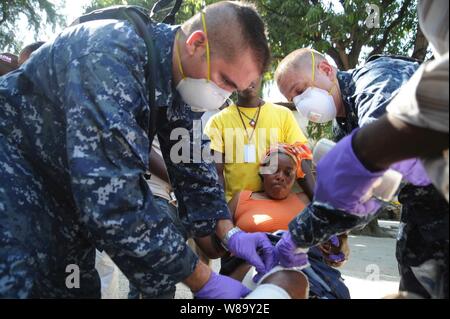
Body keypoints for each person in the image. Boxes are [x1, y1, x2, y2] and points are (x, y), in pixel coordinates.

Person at [0, 2, 276, 299]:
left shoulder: (178, 80)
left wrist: (230, 233)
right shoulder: (108, 55)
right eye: (225, 80)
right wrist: (203, 280)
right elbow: (114, 198)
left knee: (76, 288)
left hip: (67, 208)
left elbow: (193, 163)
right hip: (16, 191)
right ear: (197, 44)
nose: (224, 96)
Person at [274, 0, 448, 299]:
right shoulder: (342, 127)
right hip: (423, 211)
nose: (301, 103)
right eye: (294, 99)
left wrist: (300, 235)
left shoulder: (376, 77)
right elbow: (368, 198)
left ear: (327, 70)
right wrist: (337, 232)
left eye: (301, 90)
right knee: (417, 286)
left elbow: (379, 158)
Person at [195, 143, 350, 299]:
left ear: (296, 176)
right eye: (273, 170)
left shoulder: (306, 201)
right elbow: (216, 241)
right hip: (251, 265)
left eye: (288, 173)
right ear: (262, 171)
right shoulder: (241, 198)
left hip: (302, 266)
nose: (280, 176)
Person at [204, 75, 315, 203]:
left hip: (278, 201)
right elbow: (215, 174)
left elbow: (302, 163)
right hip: (239, 205)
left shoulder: (283, 115)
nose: (247, 78)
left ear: (261, 74)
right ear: (231, 79)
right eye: (241, 73)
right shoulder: (217, 122)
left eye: (252, 72)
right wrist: (222, 215)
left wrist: (318, 202)